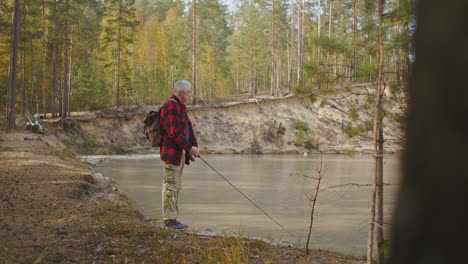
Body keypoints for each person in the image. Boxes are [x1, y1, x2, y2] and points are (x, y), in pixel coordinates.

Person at [159, 80, 200, 229]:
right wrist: (190, 148)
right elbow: (173, 133)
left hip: (180, 153)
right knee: (170, 185)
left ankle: (173, 218)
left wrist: (194, 146)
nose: (190, 95)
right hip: (171, 154)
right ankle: (169, 220)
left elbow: (188, 127)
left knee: (176, 185)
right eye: (189, 93)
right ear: (182, 92)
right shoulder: (171, 106)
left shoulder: (180, 106)